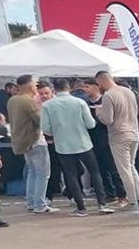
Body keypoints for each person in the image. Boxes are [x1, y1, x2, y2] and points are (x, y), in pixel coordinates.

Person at [41, 78, 114, 217]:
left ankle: (80, 207)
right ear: (68, 87)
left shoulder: (47, 106)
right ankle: (102, 203)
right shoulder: (80, 102)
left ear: (54, 90)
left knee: (71, 175)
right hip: (83, 142)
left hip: (62, 145)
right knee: (95, 172)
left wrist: (56, 133)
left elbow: (45, 128)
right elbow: (90, 124)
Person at [94, 70, 139, 209]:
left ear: (101, 81)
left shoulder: (108, 96)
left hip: (119, 135)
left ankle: (132, 200)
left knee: (124, 169)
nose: (98, 87)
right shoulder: (129, 91)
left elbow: (108, 120)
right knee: (132, 167)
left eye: (98, 84)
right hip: (134, 132)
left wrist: (99, 112)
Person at [7, 75, 54, 213]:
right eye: (34, 84)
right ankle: (40, 204)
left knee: (32, 172)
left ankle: (31, 202)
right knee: (43, 174)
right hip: (35, 140)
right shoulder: (28, 101)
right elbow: (40, 120)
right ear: (29, 85)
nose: (36, 87)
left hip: (22, 141)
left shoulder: (13, 100)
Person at [83, 79, 128, 207]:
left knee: (113, 167)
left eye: (87, 86)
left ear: (96, 86)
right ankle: (110, 193)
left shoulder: (106, 99)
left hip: (108, 138)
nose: (85, 90)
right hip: (93, 139)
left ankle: (122, 195)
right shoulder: (85, 103)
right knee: (101, 168)